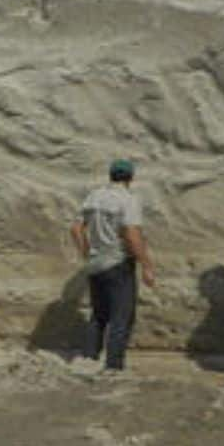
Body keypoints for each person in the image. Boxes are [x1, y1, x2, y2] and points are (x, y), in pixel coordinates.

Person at [70, 158, 156, 371]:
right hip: (118, 263)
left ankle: (89, 360)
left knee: (98, 315)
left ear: (111, 175)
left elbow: (76, 228)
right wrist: (146, 265)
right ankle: (113, 367)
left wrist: (87, 252)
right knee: (121, 318)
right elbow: (131, 234)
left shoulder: (94, 196)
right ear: (130, 178)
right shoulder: (127, 199)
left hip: (96, 263)